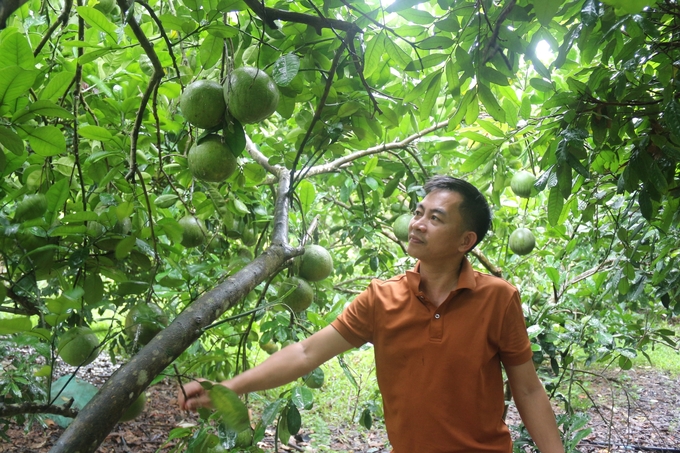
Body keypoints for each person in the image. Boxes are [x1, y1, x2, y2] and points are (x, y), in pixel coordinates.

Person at [179, 175, 565, 453]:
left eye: (436, 218)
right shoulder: (382, 298)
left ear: (466, 241)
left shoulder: (498, 298)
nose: (417, 223)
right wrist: (232, 386)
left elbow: (528, 388)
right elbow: (306, 353)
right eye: (419, 212)